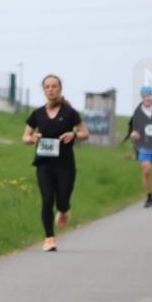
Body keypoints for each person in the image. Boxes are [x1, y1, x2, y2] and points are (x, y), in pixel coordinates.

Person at [22, 75, 89, 251]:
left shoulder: (69, 112)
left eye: (54, 86)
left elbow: (85, 133)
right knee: (47, 199)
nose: (51, 89)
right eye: (47, 86)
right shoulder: (37, 114)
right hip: (44, 164)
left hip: (65, 165)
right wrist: (32, 138)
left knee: (62, 200)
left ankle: (65, 210)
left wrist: (73, 135)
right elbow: (25, 136)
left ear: (60, 88)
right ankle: (49, 239)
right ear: (44, 90)